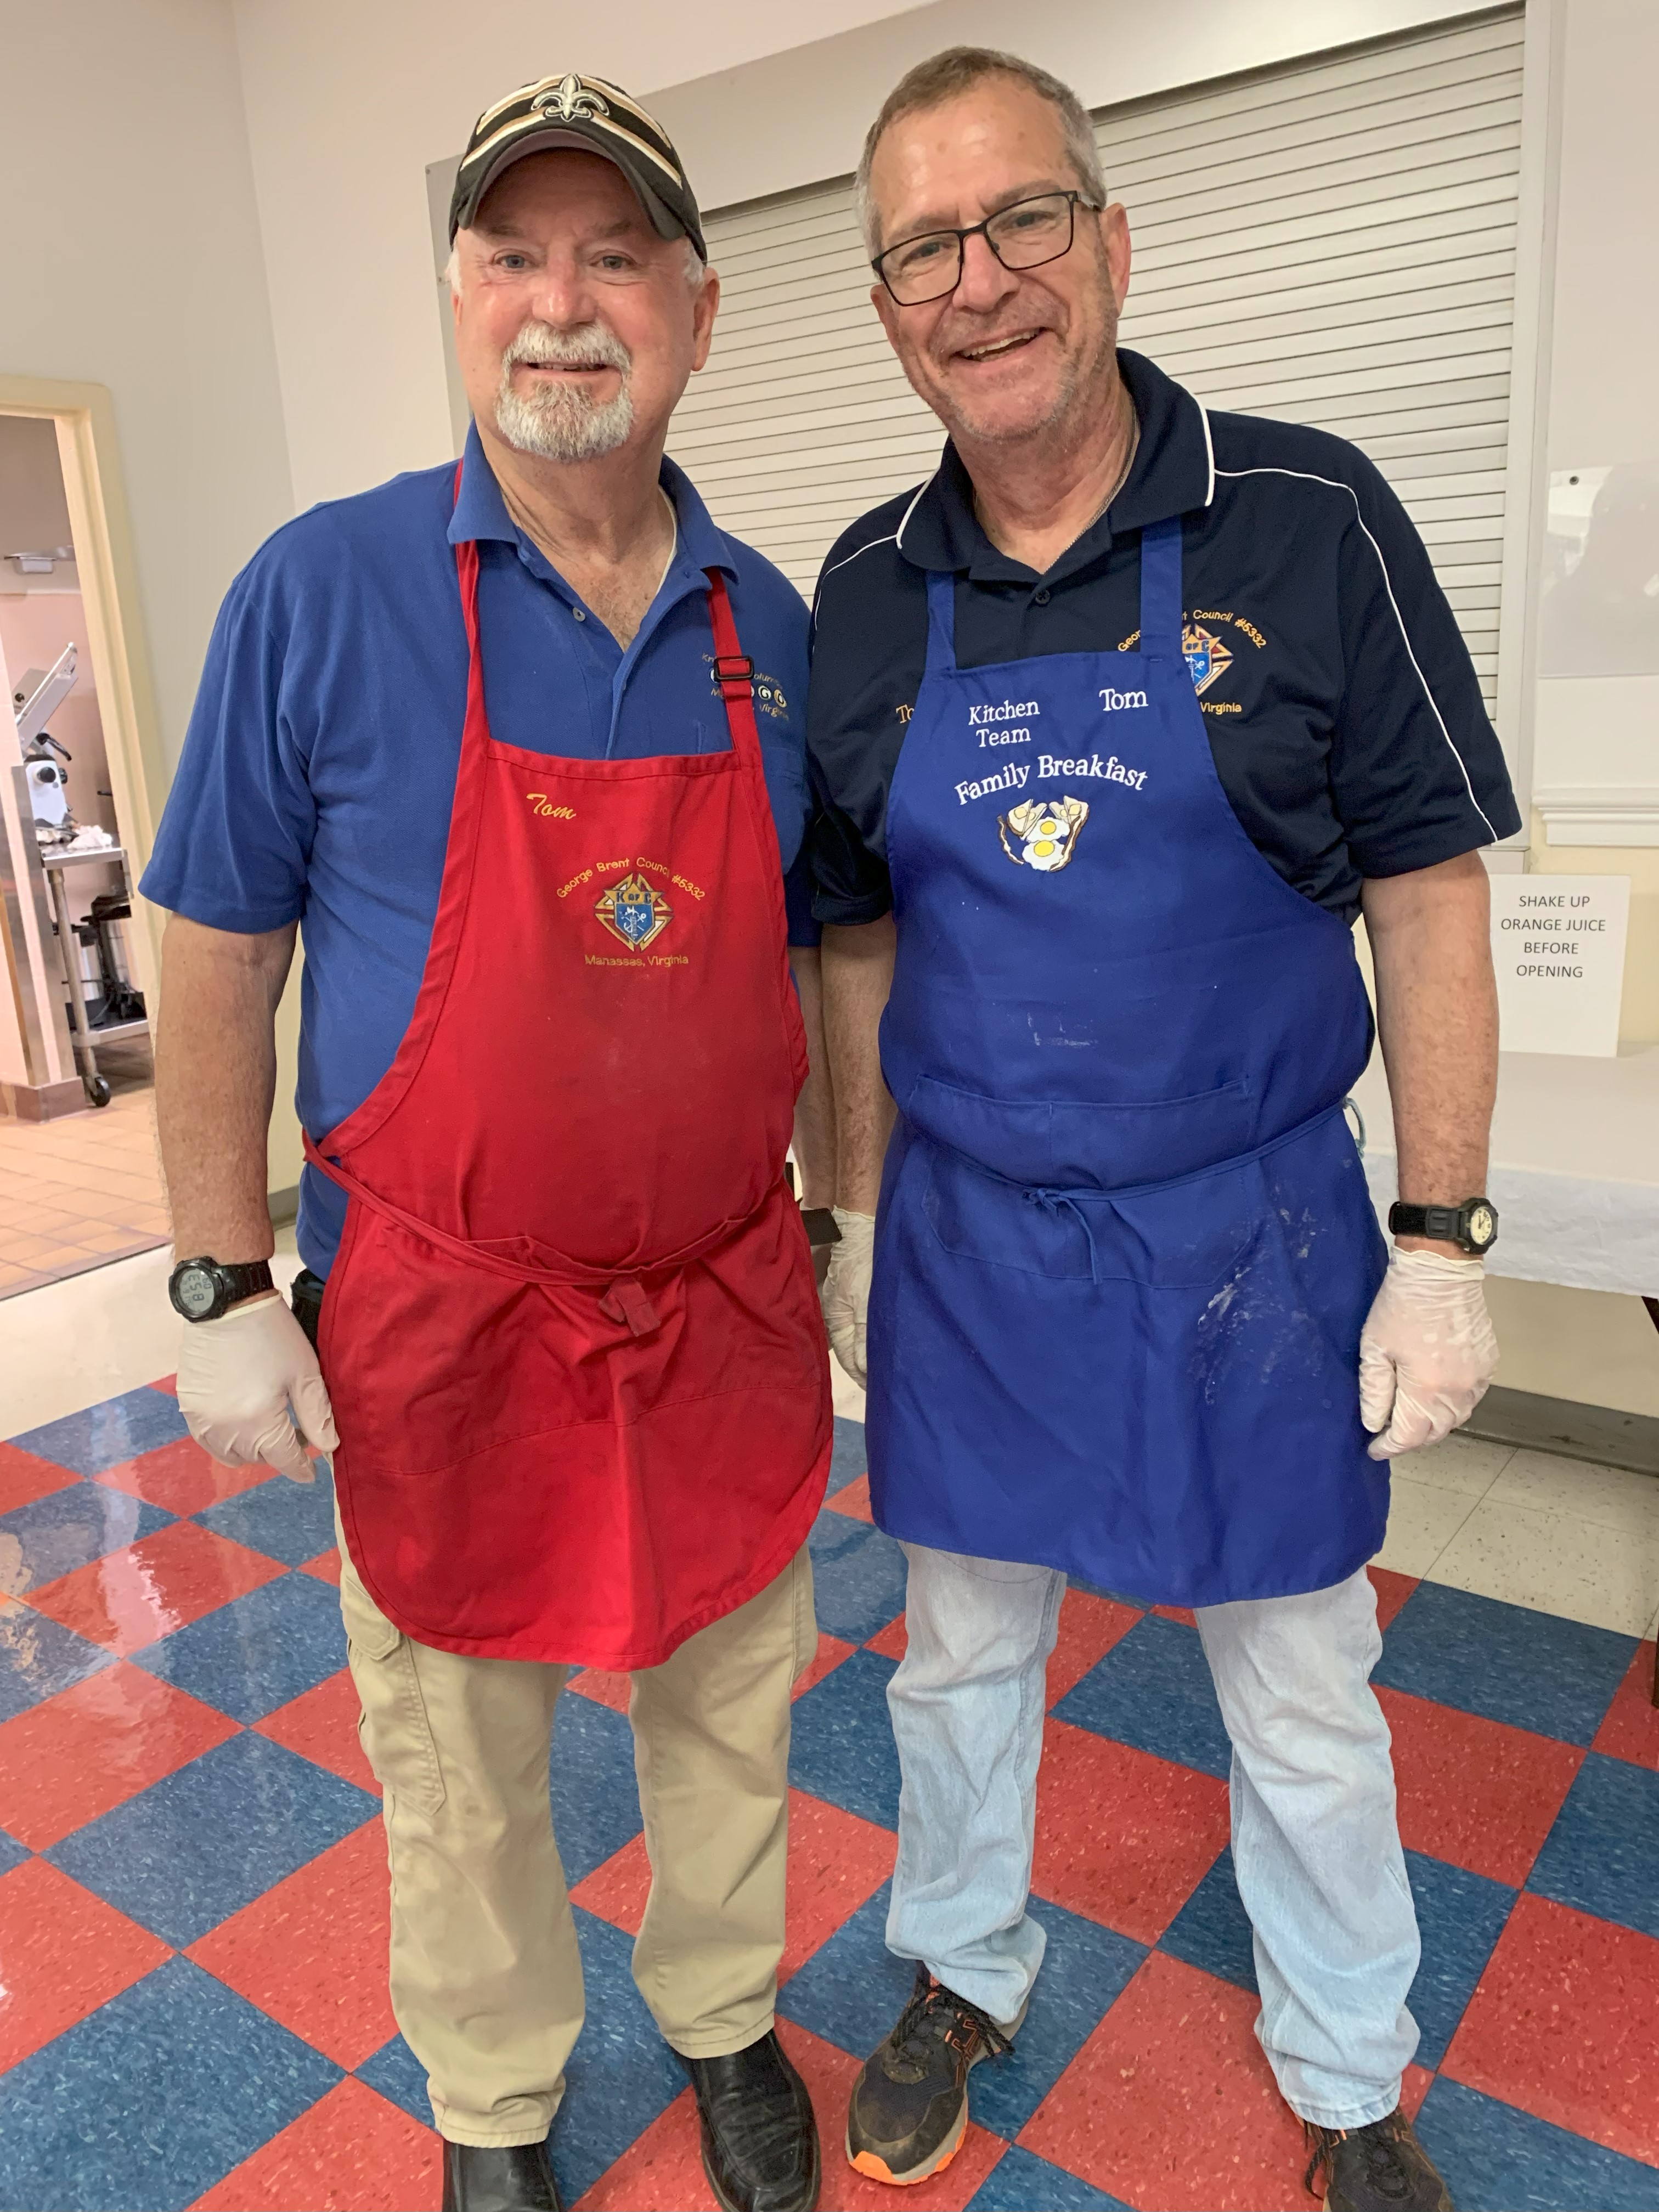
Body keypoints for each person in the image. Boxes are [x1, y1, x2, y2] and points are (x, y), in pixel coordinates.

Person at [810, 47, 1519, 2212]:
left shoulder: (1308, 516)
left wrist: (1442, 1238)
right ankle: (960, 1967)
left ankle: (1349, 2067)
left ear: (1111, 242)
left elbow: (1428, 892)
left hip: (1254, 1234)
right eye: (922, 249)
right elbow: (854, 940)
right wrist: (853, 1220)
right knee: (958, 1659)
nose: (980, 280)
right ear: (886, 306)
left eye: (1021, 218)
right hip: (972, 1238)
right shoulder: (864, 586)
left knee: (1300, 1674)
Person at [144, 72, 831, 2212]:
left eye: (614, 257)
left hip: (722, 1300)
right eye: (514, 255)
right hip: (439, 1315)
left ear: (697, 309)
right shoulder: (322, 588)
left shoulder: (775, 627)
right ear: (456, 299)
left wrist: (856, 1219)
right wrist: (218, 1275)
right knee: (459, 1757)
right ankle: (496, 2104)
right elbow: (213, 946)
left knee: (733, 1711)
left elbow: (836, 953)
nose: (563, 303)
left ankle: (723, 2018)